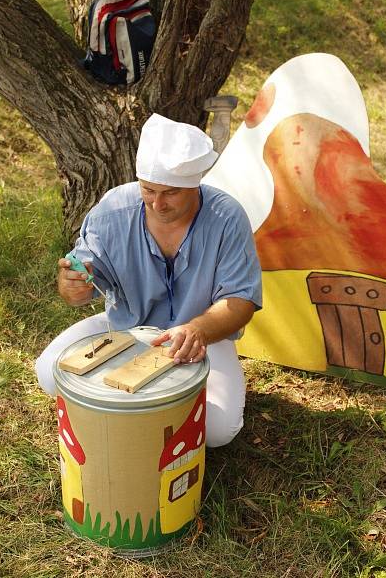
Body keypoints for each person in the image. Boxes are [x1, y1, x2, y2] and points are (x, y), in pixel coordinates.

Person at [36, 113, 262, 447]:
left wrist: (198, 329)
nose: (157, 204)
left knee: (217, 430)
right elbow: (80, 281)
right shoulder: (113, 209)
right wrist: (72, 285)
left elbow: (240, 301)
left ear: (195, 184)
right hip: (125, 329)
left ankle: (133, 419)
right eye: (148, 190)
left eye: (171, 193)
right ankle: (136, 419)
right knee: (48, 372)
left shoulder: (226, 218)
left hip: (202, 339)